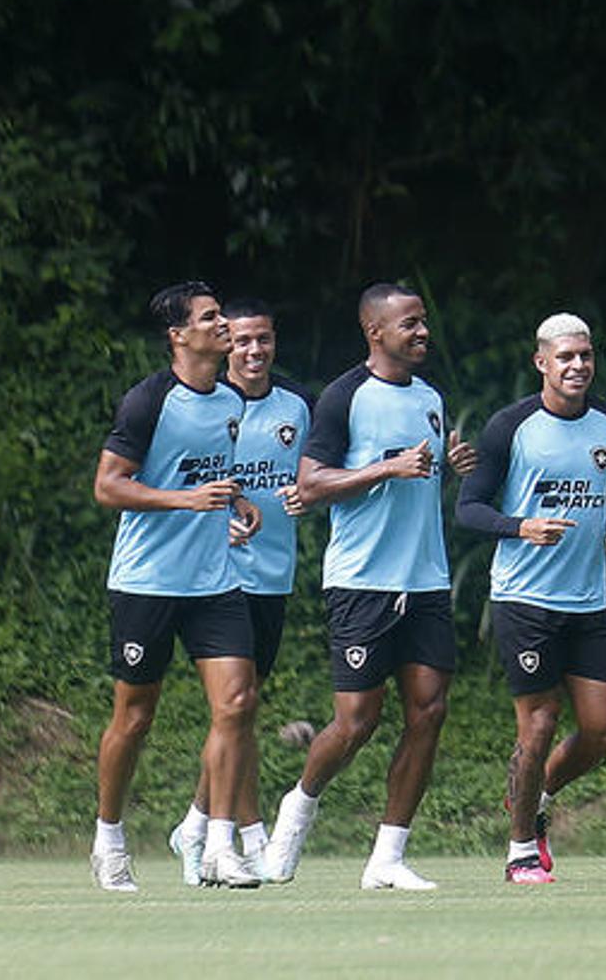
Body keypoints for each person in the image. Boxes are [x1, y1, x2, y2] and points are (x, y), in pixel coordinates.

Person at [262, 283, 478, 890]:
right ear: (374, 332)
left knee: (429, 711)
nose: (422, 332)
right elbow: (309, 484)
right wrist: (387, 466)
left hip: (426, 580)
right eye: (408, 323)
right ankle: (297, 807)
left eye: (424, 321)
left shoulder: (432, 397)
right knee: (356, 721)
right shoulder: (344, 396)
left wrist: (449, 467)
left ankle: (387, 857)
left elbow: (418, 476)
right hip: (362, 581)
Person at [91, 282, 261, 892]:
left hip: (213, 581)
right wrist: (185, 501)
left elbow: (210, 473)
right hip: (146, 583)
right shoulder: (147, 402)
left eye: (223, 315)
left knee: (237, 704)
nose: (225, 326)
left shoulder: (231, 402)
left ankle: (219, 846)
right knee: (134, 718)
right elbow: (109, 486)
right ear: (179, 335)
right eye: (211, 318)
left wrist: (236, 502)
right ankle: (109, 839)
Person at [457, 313, 606, 884]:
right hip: (524, 599)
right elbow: (469, 509)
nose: (578, 366)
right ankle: (520, 852)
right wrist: (521, 527)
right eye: (565, 358)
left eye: (585, 356)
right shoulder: (510, 427)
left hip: (589, 601)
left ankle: (533, 795)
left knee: (604, 727)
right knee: (537, 724)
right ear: (542, 363)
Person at [167, 298, 309, 886]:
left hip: (274, 575)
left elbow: (316, 472)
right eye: (243, 340)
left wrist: (310, 494)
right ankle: (237, 837)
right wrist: (214, 518)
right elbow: (179, 480)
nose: (254, 351)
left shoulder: (298, 407)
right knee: (237, 707)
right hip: (217, 579)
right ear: (227, 344)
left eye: (264, 340)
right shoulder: (209, 408)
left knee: (241, 714)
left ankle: (196, 824)